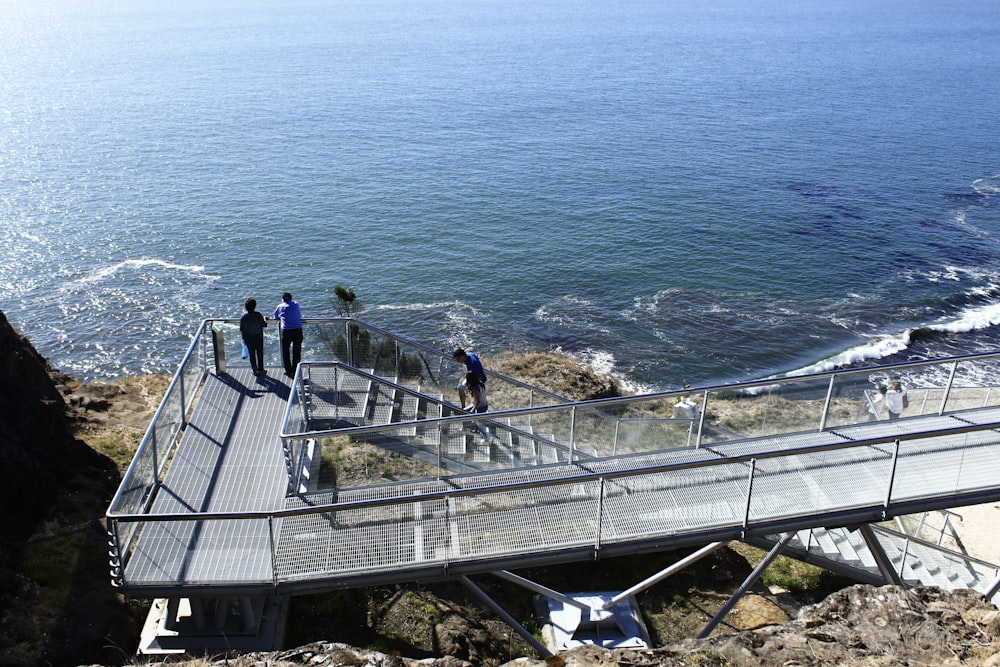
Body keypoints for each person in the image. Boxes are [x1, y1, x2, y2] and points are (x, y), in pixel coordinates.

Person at [273, 292, 303, 377]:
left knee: (285, 352)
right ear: (291, 298)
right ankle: (296, 370)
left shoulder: (280, 306)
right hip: (297, 329)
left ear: (283, 299)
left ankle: (288, 370)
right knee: (297, 351)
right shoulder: (296, 304)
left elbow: (276, 317)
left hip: (286, 331)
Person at [239, 297, 268, 377]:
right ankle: (261, 369)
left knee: (252, 355)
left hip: (248, 338)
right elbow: (264, 324)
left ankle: (254, 370)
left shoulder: (244, 317)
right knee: (260, 353)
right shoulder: (258, 315)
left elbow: (242, 329)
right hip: (258, 337)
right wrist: (265, 319)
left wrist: (243, 339)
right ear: (254, 306)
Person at [463, 371, 491, 440]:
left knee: (479, 422)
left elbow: (478, 402)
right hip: (479, 404)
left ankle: (486, 437)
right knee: (464, 411)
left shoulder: (475, 388)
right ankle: (464, 428)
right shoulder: (480, 383)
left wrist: (472, 410)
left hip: (481, 406)